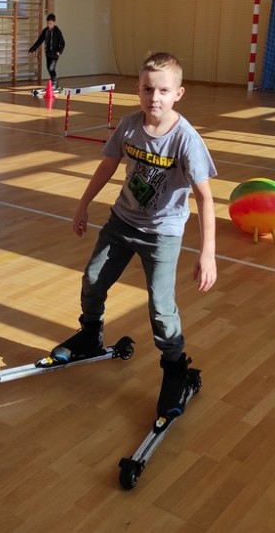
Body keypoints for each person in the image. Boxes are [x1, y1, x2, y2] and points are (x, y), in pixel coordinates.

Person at [52, 51, 218, 419]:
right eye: (147, 89)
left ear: (178, 93)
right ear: (138, 89)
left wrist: (207, 252)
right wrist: (82, 204)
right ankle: (90, 334)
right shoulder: (128, 126)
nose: (154, 97)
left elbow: (205, 198)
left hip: (162, 234)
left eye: (163, 90)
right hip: (121, 222)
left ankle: (177, 369)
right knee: (93, 279)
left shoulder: (186, 140)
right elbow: (106, 167)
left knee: (161, 308)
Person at [28, 13, 65, 90]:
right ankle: (55, 81)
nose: (49, 25)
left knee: (51, 68)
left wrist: (59, 51)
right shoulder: (45, 31)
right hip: (48, 54)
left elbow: (63, 43)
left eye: (50, 23)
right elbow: (39, 41)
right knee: (49, 68)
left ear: (54, 23)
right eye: (48, 23)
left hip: (55, 54)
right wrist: (32, 49)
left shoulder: (57, 31)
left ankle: (54, 83)